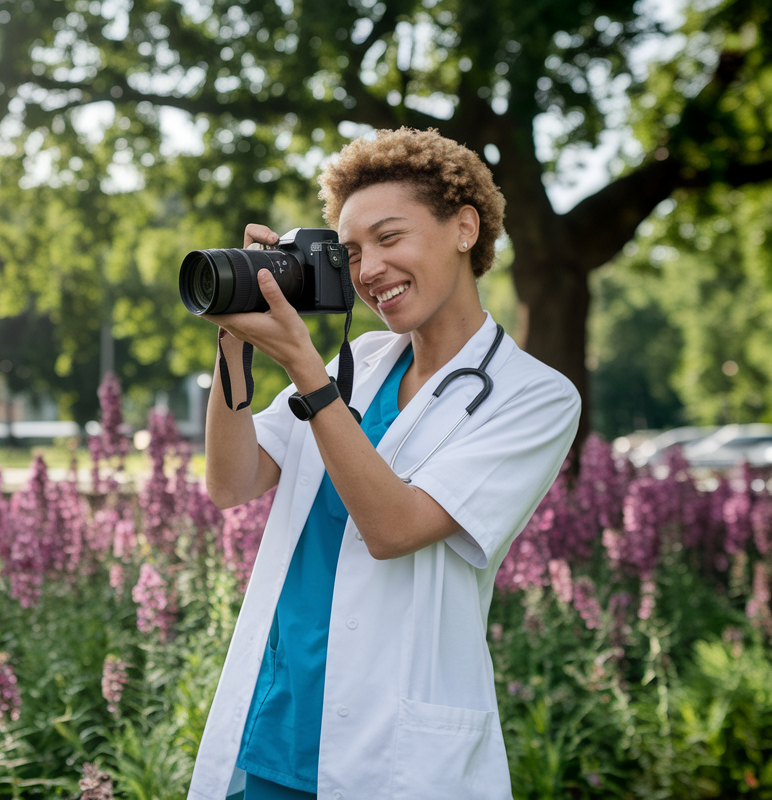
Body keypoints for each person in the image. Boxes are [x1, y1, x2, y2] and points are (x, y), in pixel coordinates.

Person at [188, 127, 580, 800]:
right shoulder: (361, 362)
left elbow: (393, 528)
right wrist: (234, 340)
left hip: (395, 752)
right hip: (277, 723)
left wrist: (306, 370)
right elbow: (232, 482)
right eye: (350, 252)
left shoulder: (535, 396)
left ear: (464, 228)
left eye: (390, 239)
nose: (368, 270)